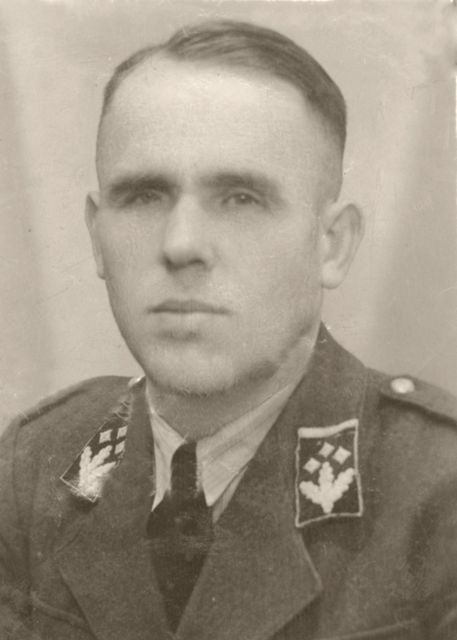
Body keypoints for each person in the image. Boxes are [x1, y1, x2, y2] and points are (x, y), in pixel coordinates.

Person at [0, 19, 456, 640]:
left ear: (332, 245)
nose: (181, 244)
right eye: (144, 196)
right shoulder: (35, 465)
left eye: (241, 198)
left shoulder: (437, 489)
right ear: (97, 238)